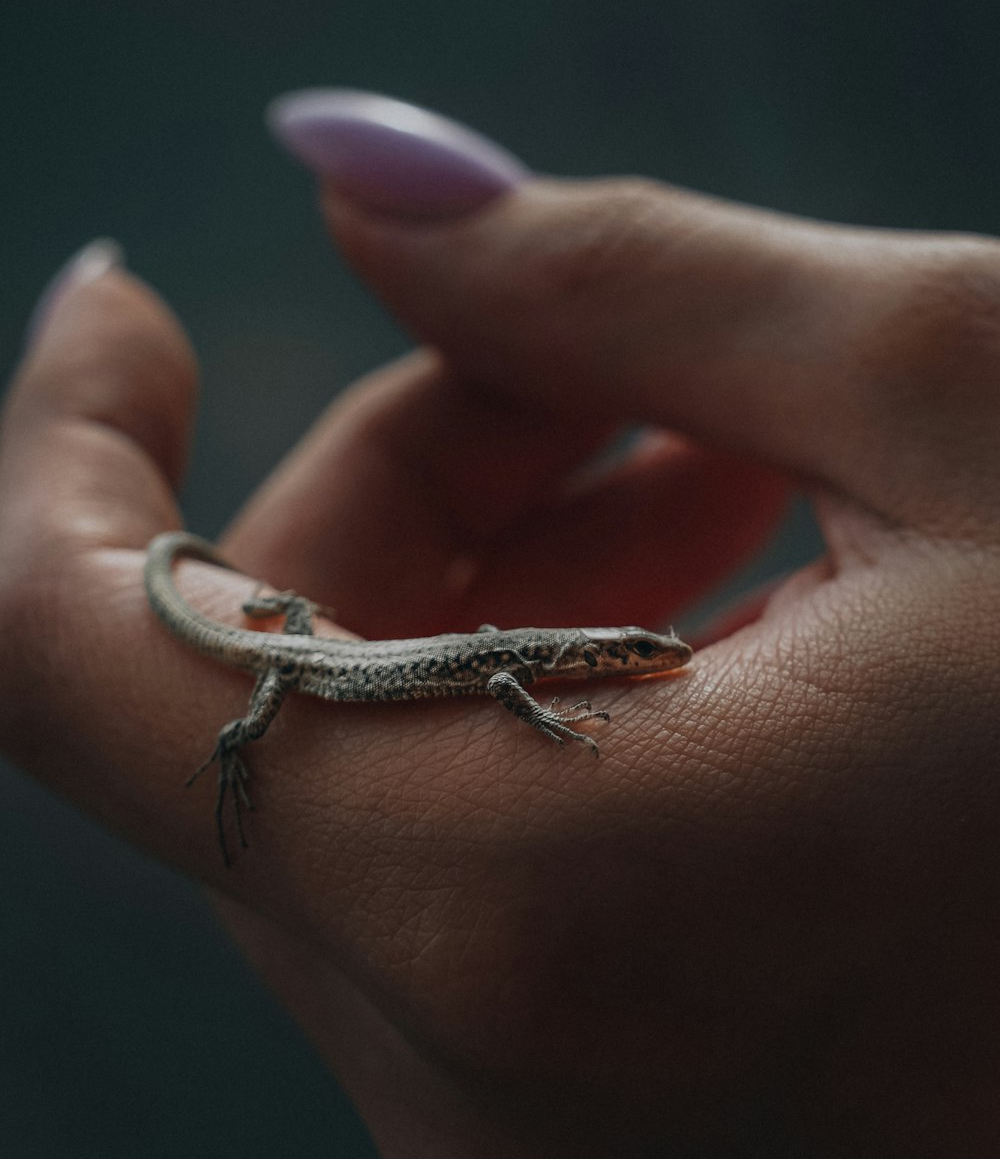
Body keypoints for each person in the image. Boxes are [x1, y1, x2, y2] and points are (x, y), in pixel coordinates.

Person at [2, 89, 999, 1157]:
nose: (653, 660)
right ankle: (236, 720)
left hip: (298, 640)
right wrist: (548, 732)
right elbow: (508, 685)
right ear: (598, 656)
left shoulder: (545, 658)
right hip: (289, 664)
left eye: (645, 653)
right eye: (637, 651)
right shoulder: (529, 669)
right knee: (249, 728)